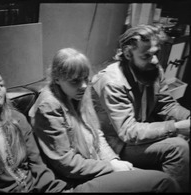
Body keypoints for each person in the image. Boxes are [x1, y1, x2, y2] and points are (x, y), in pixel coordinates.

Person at [0, 64, 178, 193]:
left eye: (1, 84)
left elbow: (38, 167)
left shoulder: (16, 121)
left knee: (161, 182)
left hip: (58, 191)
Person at [28, 48, 180, 192]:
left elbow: (97, 134)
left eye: (85, 79)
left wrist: (114, 160)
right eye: (75, 81)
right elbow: (66, 163)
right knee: (162, 182)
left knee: (163, 179)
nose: (83, 86)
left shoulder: (78, 94)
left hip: (96, 165)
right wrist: (111, 167)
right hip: (75, 181)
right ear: (57, 79)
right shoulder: (49, 105)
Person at [91, 24, 190, 192]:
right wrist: (175, 127)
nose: (155, 60)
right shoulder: (111, 82)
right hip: (119, 144)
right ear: (128, 53)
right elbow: (128, 132)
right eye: (147, 55)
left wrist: (187, 118)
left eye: (156, 53)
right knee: (178, 147)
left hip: (140, 132)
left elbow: (165, 103)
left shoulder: (152, 69)